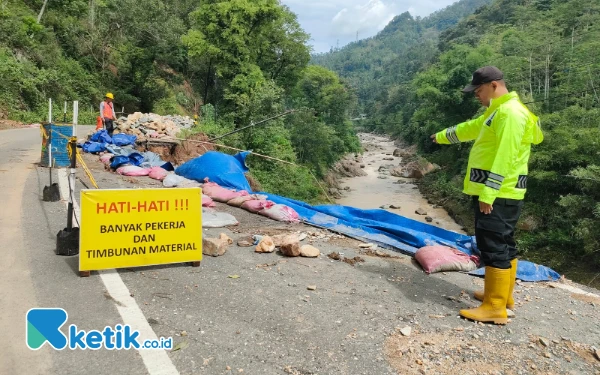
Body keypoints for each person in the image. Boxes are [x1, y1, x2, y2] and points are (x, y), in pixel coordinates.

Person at [430, 66, 544, 324]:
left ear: (494, 85)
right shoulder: (497, 111)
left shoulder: (510, 114)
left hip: (498, 193)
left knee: (493, 246)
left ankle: (494, 307)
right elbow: (470, 129)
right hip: (503, 192)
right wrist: (440, 137)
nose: (476, 96)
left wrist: (489, 193)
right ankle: (502, 297)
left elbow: (506, 156)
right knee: (504, 244)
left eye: (478, 90)